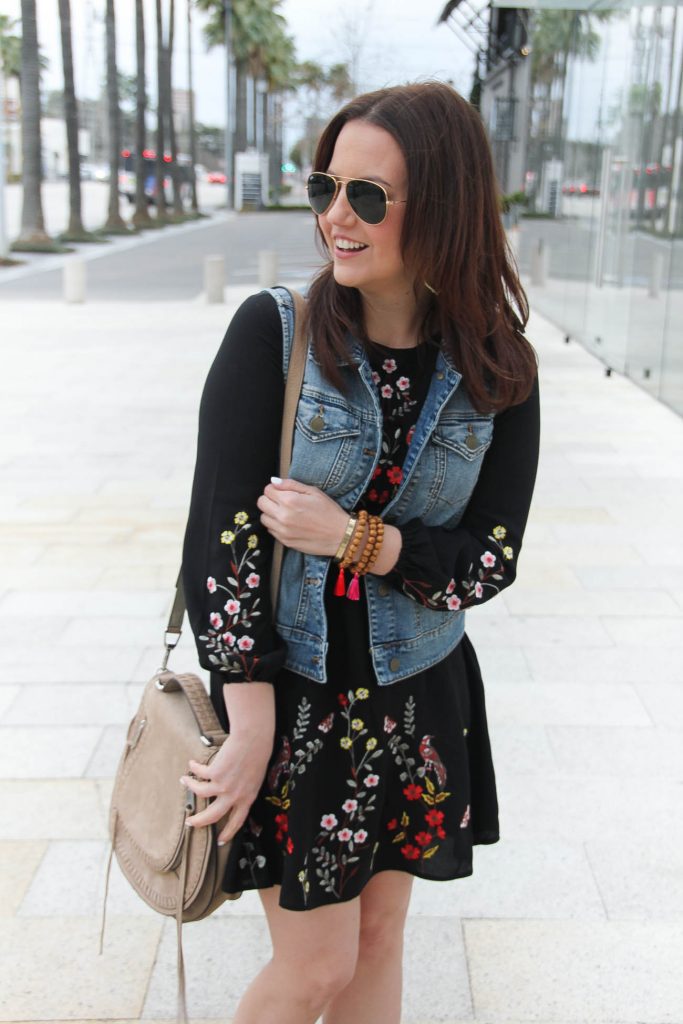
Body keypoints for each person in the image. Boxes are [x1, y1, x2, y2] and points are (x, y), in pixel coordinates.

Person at [180, 81, 540, 1024]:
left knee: (379, 944)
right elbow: (221, 545)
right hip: (292, 698)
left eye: (368, 197)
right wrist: (247, 717)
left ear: (447, 210)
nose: (336, 217)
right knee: (315, 970)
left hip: (419, 691)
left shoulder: (497, 365)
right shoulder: (275, 333)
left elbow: (490, 558)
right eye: (325, 188)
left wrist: (359, 542)